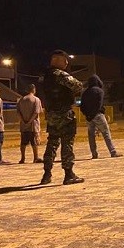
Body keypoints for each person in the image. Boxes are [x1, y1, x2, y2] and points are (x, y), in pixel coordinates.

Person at [38, 49, 84, 185]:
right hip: (64, 114)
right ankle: (68, 174)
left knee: (52, 143)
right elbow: (78, 86)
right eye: (65, 61)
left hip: (51, 114)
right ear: (58, 61)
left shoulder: (44, 77)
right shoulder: (60, 75)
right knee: (67, 143)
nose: (67, 63)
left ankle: (46, 174)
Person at [81, 74, 121, 159]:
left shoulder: (85, 92)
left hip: (88, 117)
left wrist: (87, 115)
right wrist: (94, 114)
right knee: (106, 133)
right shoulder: (99, 91)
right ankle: (113, 152)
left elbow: (82, 106)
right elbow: (99, 104)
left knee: (91, 136)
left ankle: (94, 154)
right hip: (98, 115)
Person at [16, 84, 43, 163]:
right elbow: (36, 112)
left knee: (23, 142)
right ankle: (35, 157)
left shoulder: (21, 100)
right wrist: (29, 121)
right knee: (34, 142)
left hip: (23, 125)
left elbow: (18, 112)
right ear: (33, 89)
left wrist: (23, 121)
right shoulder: (36, 99)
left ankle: (22, 158)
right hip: (33, 125)